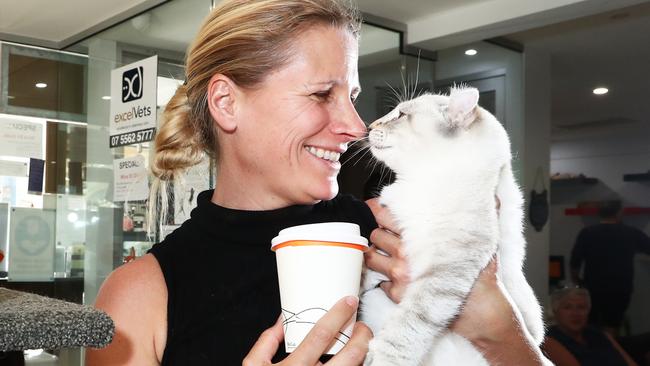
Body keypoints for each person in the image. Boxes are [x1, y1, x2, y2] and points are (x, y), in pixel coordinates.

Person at [87, 1, 546, 365]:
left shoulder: (391, 238)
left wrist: (500, 331)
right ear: (227, 103)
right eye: (322, 94)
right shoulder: (139, 297)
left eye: (353, 97)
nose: (356, 125)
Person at [570, 201, 650, 334]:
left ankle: (590, 351)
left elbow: (575, 261)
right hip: (620, 286)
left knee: (591, 323)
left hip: (593, 286)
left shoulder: (588, 233)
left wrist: (577, 280)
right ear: (619, 213)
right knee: (612, 323)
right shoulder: (631, 233)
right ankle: (609, 350)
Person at [543, 287, 637, 366]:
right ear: (555, 312)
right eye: (567, 307)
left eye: (581, 307)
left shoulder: (599, 334)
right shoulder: (550, 341)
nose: (576, 314)